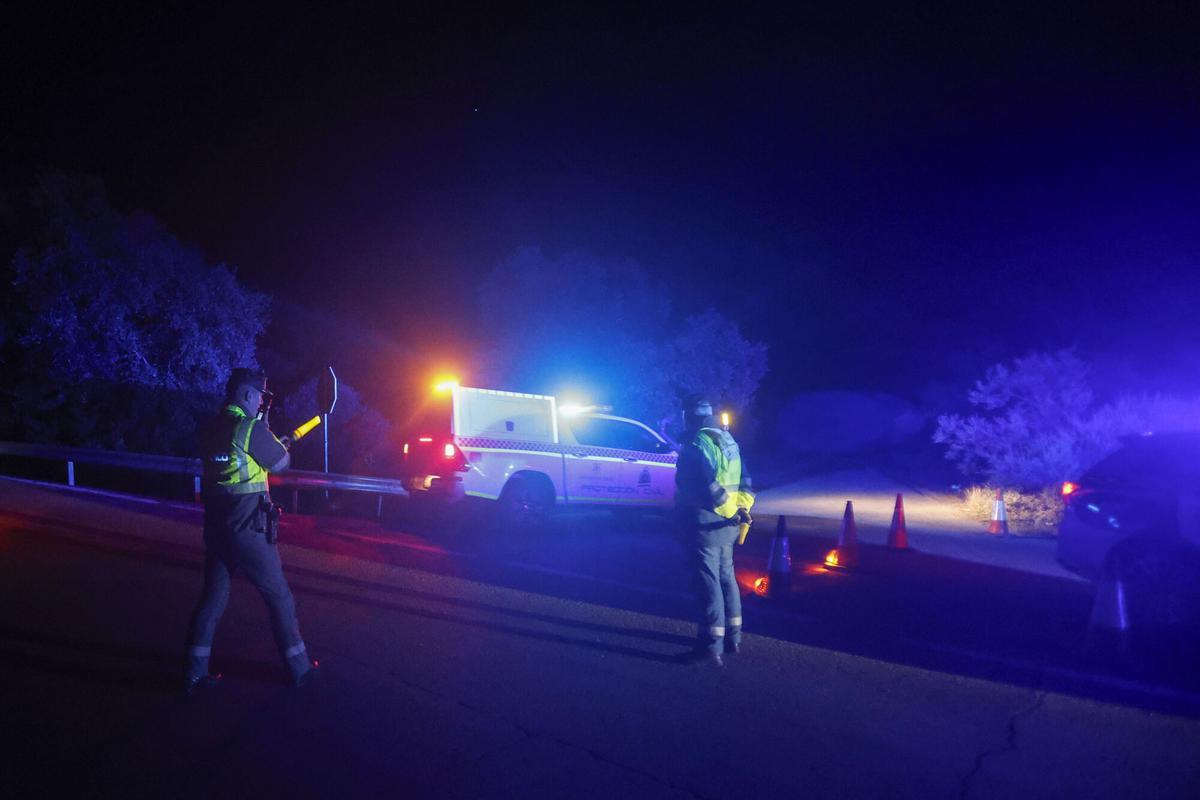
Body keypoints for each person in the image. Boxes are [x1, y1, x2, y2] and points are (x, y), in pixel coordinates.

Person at [182, 368, 317, 694]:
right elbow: (280, 464)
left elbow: (235, 463)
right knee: (279, 597)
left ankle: (193, 674)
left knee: (212, 598)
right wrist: (271, 438)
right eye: (260, 396)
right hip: (249, 529)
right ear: (246, 394)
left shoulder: (211, 428)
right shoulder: (250, 428)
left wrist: (265, 436)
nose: (262, 402)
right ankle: (299, 668)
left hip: (217, 528)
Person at [674, 394, 755, 667]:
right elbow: (746, 480)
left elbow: (706, 486)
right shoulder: (728, 440)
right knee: (726, 579)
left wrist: (728, 511)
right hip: (727, 526)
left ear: (687, 416)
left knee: (707, 584)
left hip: (704, 524)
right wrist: (739, 510)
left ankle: (710, 646)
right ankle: (733, 638)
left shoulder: (694, 446)